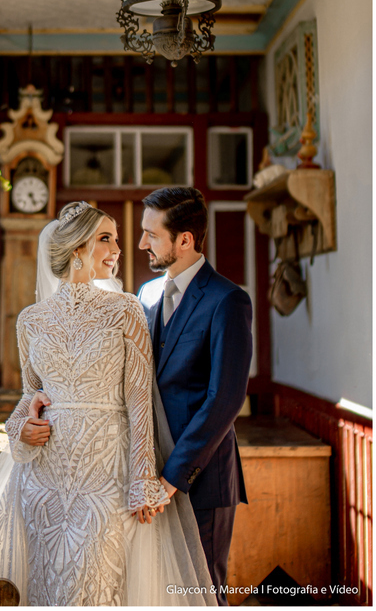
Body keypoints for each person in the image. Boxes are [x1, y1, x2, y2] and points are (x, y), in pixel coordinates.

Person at [0, 201, 216, 606]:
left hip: (105, 477)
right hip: (42, 479)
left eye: (118, 240)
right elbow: (30, 396)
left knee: (96, 586)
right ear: (76, 250)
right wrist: (21, 427)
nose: (118, 249)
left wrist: (142, 479)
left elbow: (139, 399)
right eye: (106, 238)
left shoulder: (126, 311)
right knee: (46, 586)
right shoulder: (30, 320)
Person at [137, 186, 253, 605]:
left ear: (185, 239)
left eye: (152, 234)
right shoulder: (146, 295)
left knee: (200, 592)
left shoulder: (228, 301)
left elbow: (225, 398)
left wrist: (173, 478)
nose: (141, 243)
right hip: (147, 478)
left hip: (199, 480)